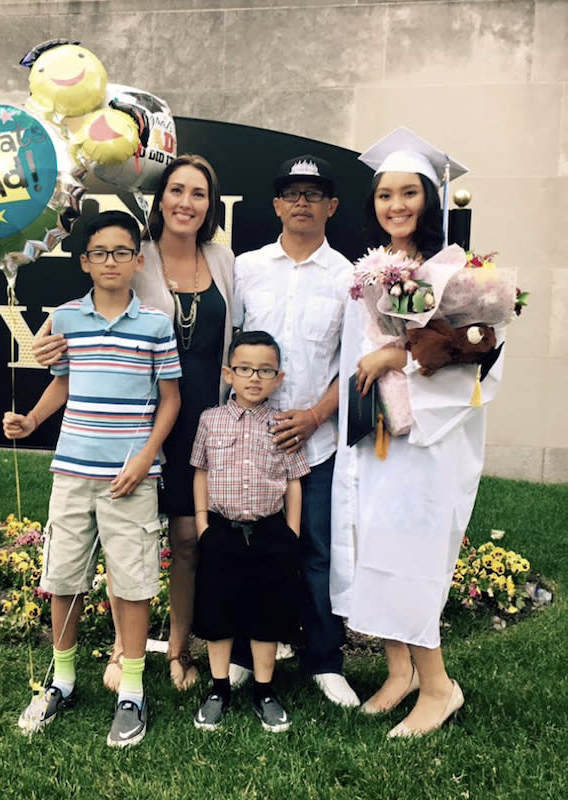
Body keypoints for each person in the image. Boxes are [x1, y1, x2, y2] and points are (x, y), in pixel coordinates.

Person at [32, 155, 234, 692]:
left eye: (198, 193)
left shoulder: (223, 258)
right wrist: (50, 339)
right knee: (126, 535)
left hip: (203, 419)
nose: (186, 202)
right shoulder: (133, 255)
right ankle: (125, 649)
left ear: (210, 205)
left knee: (189, 540)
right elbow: (88, 307)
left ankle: (177, 650)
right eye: (176, 190)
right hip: (138, 425)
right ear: (158, 199)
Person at [330, 128, 505, 737]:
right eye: (385, 195)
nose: (396, 205)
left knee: (409, 552)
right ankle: (399, 671)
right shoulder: (378, 270)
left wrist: (398, 359)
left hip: (431, 440)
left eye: (410, 193)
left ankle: (438, 687)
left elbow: (478, 354)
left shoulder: (455, 269)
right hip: (379, 434)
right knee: (374, 543)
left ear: (430, 200)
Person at [3, 210, 181, 747]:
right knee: (64, 576)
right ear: (84, 262)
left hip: (131, 477)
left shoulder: (155, 323)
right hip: (73, 471)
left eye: (121, 252)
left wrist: (145, 457)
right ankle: (62, 679)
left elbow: (170, 401)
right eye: (100, 252)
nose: (110, 261)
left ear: (138, 261)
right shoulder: (65, 319)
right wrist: (31, 420)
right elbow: (61, 384)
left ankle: (131, 689)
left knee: (132, 580)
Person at [232, 155, 359, 706]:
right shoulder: (246, 268)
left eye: (314, 193)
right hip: (250, 443)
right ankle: (239, 655)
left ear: (331, 205)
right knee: (246, 547)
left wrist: (313, 417)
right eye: (292, 192)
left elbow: (354, 364)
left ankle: (324, 660)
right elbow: (229, 347)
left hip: (317, 443)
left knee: (316, 552)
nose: (302, 202)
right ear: (277, 204)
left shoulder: (351, 278)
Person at [190, 330, 310, 732]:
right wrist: (204, 524)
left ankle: (264, 689)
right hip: (222, 530)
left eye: (265, 371)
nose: (254, 378)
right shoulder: (210, 420)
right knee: (218, 610)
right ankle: (219, 687)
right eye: (244, 369)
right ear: (228, 373)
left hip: (271, 534)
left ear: (278, 378)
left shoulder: (284, 424)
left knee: (267, 613)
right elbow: (201, 472)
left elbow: (294, 481)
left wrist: (291, 533)